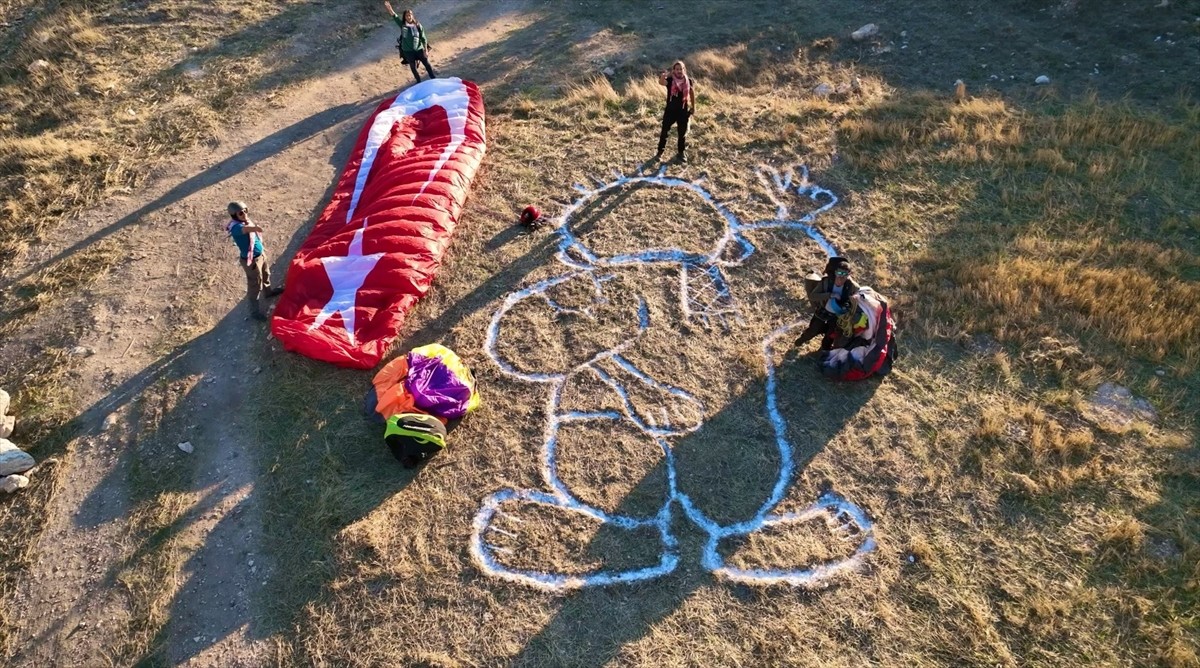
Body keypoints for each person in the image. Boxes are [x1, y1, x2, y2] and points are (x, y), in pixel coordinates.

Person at [225, 201, 283, 321]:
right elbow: (245, 230)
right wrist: (255, 228)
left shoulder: (244, 221)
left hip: (260, 255)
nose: (245, 214)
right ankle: (254, 312)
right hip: (251, 261)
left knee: (266, 274)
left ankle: (268, 292)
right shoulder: (236, 227)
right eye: (241, 213)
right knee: (255, 285)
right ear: (235, 215)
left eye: (246, 210)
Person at [794, 256, 860, 350]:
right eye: (839, 273)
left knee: (830, 337)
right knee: (812, 330)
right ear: (835, 272)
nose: (840, 277)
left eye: (844, 274)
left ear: (848, 275)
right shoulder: (826, 282)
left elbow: (857, 302)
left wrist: (849, 303)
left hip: (838, 317)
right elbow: (813, 296)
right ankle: (800, 341)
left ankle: (824, 351)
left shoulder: (853, 287)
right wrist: (829, 295)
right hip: (823, 311)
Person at [385, 3, 437, 82]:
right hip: (408, 51)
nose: (409, 17)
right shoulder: (403, 25)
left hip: (419, 49)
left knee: (427, 64)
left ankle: (433, 77)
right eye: (407, 16)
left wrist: (425, 50)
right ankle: (418, 81)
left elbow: (423, 38)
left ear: (412, 16)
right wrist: (390, 9)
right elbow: (395, 17)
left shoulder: (418, 25)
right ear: (404, 17)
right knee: (413, 67)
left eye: (410, 15)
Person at [656, 60, 695, 164]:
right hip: (670, 111)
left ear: (684, 70)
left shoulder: (688, 81)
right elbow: (661, 83)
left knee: (682, 134)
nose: (679, 71)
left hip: (683, 110)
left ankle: (681, 153)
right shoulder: (670, 80)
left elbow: (691, 93)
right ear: (673, 70)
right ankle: (660, 152)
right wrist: (663, 76)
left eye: (681, 69)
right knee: (664, 131)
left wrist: (693, 106)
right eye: (677, 69)